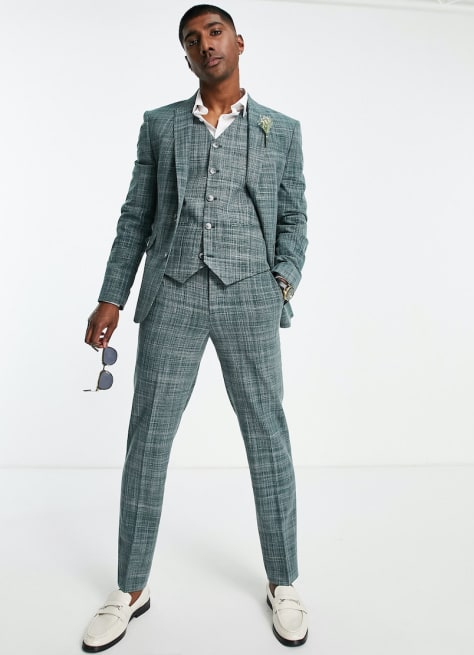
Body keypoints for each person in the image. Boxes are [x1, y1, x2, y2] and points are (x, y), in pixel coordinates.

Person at [82, 4, 308, 651]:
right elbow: (135, 216)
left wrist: (279, 284)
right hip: (172, 294)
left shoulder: (281, 130)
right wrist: (111, 297)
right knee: (148, 440)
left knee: (267, 437)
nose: (205, 44)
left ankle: (284, 580)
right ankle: (130, 588)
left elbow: (294, 218)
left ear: (238, 42)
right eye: (191, 39)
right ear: (184, 55)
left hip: (249, 298)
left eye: (214, 32)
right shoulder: (160, 126)